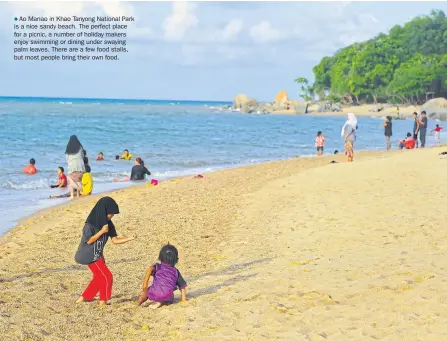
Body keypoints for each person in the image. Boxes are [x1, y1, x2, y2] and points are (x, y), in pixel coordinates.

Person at [75, 197, 135, 307]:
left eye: (113, 214)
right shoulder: (89, 225)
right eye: (110, 214)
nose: (111, 216)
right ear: (103, 212)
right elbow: (89, 241)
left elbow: (115, 240)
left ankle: (83, 298)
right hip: (89, 255)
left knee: (98, 277)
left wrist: (129, 238)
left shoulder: (109, 224)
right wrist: (102, 231)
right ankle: (103, 301)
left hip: (99, 256)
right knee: (107, 276)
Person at [138, 244, 187, 309]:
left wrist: (145, 283)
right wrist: (183, 300)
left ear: (160, 257)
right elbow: (182, 287)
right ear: (176, 259)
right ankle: (160, 302)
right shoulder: (176, 271)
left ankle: (139, 302)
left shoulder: (158, 267)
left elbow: (150, 268)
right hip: (167, 296)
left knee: (148, 290)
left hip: (154, 293)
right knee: (170, 295)